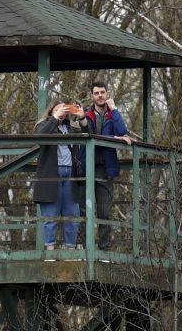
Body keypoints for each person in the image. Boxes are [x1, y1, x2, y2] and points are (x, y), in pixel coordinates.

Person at [33, 96, 88, 252]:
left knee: (72, 214)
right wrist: (56, 118)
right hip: (51, 174)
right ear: (51, 110)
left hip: (71, 174)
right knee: (50, 215)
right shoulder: (44, 124)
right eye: (58, 108)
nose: (63, 112)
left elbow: (89, 135)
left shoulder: (71, 128)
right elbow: (40, 138)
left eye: (65, 109)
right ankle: (50, 251)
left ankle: (70, 250)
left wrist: (82, 117)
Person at [82, 80, 135, 222]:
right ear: (92, 96)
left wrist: (115, 109)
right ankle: (83, 244)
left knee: (105, 213)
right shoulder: (86, 115)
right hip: (87, 166)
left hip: (106, 168)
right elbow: (90, 135)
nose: (100, 96)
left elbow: (122, 132)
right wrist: (113, 137)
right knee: (83, 211)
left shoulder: (113, 115)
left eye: (102, 92)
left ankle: (104, 245)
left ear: (107, 94)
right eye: (96, 93)